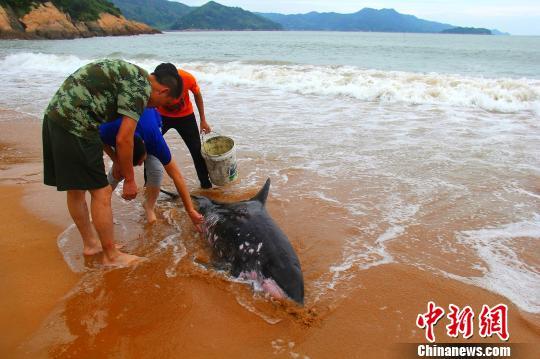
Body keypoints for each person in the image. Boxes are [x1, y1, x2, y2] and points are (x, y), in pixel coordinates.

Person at [42, 59, 203, 266]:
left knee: (75, 190)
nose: (156, 108)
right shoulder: (139, 90)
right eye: (163, 104)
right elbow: (123, 139)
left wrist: (117, 160)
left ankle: (92, 245)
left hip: (56, 117)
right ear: (162, 91)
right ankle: (111, 255)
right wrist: (129, 179)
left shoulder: (136, 77)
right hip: (78, 125)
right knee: (101, 192)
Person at [100, 108, 202, 226]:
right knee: (117, 172)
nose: (140, 165)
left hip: (149, 122)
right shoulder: (107, 131)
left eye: (141, 161)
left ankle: (149, 206)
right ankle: (101, 202)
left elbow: (176, 175)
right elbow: (101, 140)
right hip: (120, 126)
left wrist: (190, 211)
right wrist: (116, 160)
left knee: (156, 170)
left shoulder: (155, 141)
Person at [154, 63, 213, 189]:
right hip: (161, 116)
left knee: (197, 151)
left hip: (185, 116)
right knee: (151, 147)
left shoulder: (187, 78)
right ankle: (149, 186)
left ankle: (206, 186)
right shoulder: (154, 81)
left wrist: (203, 120)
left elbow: (197, 95)